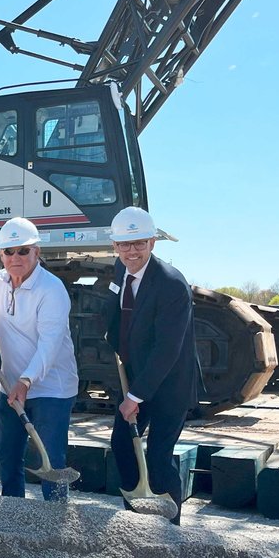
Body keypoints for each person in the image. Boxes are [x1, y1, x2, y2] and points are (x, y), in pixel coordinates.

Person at [106, 206, 201, 525]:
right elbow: (116, 312)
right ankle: (136, 515)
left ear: (152, 243)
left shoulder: (172, 284)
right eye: (125, 245)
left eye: (139, 244)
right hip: (135, 376)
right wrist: (111, 338)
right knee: (121, 444)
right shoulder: (120, 271)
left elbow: (167, 349)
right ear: (115, 246)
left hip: (169, 384)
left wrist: (135, 398)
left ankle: (170, 530)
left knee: (159, 457)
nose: (132, 251)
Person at [0, 217, 79, 501]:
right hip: (10, 386)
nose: (16, 257)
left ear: (37, 252)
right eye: (9, 251)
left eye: (23, 250)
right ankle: (13, 515)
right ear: (1, 254)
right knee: (7, 456)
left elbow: (49, 344)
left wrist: (26, 380)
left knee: (50, 460)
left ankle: (55, 521)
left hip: (51, 389)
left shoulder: (51, 290)